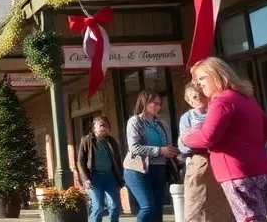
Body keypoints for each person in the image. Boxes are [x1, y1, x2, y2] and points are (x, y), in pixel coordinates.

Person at [180, 57, 267, 222]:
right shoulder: (246, 98)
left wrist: (186, 138)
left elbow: (207, 137)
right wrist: (248, 144)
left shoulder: (221, 100)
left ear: (216, 75)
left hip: (236, 173)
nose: (198, 84)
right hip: (263, 169)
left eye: (201, 78)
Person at [178, 81, 230, 222]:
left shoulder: (216, 112)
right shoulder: (187, 117)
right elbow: (183, 145)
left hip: (219, 160)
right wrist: (200, 141)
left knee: (220, 204)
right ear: (188, 101)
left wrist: (198, 137)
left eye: (200, 95)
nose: (197, 99)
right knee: (197, 203)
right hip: (199, 162)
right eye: (193, 97)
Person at [123, 89, 178, 222]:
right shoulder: (135, 121)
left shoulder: (161, 123)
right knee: (148, 207)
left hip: (159, 168)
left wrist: (174, 151)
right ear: (145, 102)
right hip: (138, 170)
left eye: (160, 104)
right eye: (155, 103)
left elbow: (166, 146)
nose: (158, 107)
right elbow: (134, 148)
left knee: (158, 208)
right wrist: (160, 151)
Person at [77, 115, 123, 222]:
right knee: (98, 207)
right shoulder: (87, 140)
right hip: (94, 177)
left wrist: (120, 177)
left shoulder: (111, 141)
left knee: (115, 206)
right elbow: (81, 161)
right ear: (94, 127)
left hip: (110, 177)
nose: (104, 127)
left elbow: (118, 160)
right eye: (101, 125)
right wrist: (86, 179)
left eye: (106, 125)